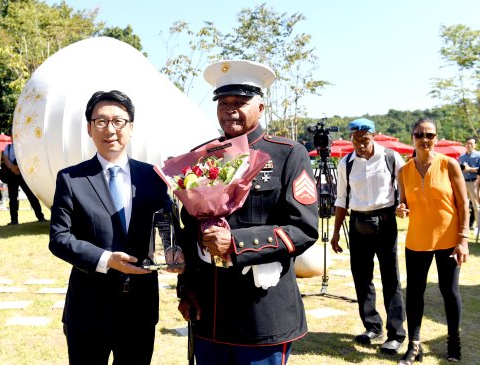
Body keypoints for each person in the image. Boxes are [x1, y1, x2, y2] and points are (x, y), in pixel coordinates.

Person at [176, 60, 319, 364]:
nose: (230, 109)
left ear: (261, 107)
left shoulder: (288, 154)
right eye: (223, 102)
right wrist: (186, 288)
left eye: (240, 102)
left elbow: (304, 230)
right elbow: (189, 229)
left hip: (261, 314)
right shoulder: (204, 156)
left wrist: (237, 243)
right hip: (210, 313)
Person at [49, 90, 175, 365]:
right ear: (89, 128)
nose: (110, 129)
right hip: (88, 309)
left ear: (130, 127)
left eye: (119, 121)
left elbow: (165, 225)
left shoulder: (153, 177)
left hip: (139, 309)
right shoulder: (72, 178)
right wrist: (107, 260)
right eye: (101, 121)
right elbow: (59, 238)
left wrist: (174, 252)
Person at [395, 118, 469, 364]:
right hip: (417, 241)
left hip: (449, 240)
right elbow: (403, 202)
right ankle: (414, 346)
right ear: (412, 138)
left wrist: (464, 239)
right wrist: (401, 209)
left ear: (436, 137)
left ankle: (453, 343)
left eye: (430, 135)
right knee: (415, 293)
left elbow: (463, 204)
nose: (424, 139)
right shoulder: (403, 171)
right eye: (419, 134)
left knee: (449, 292)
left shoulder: (450, 165)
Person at [330, 118, 406, 354]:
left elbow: (404, 189)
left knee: (390, 277)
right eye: (356, 140)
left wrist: (403, 205)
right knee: (361, 277)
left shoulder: (391, 158)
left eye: (364, 139)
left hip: (385, 222)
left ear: (374, 136)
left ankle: (396, 333)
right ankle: (372, 325)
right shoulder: (346, 163)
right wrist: (335, 233)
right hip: (358, 223)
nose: (360, 144)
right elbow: (341, 199)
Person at [2, 136, 46, 225]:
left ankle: (40, 216)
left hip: (24, 174)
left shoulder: (25, 146)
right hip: (12, 174)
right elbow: (5, 159)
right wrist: (12, 168)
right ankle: (14, 220)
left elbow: (27, 158)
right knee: (13, 198)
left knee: (31, 195)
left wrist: (17, 168)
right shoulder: (8, 147)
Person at [458, 137, 480, 230]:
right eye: (468, 143)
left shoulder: (478, 155)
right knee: (463, 205)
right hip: (463, 183)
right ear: (465, 144)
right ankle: (463, 226)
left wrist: (469, 169)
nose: (469, 145)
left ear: (475, 145)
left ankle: (478, 227)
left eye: (471, 143)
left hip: (474, 182)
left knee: (476, 206)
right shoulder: (462, 157)